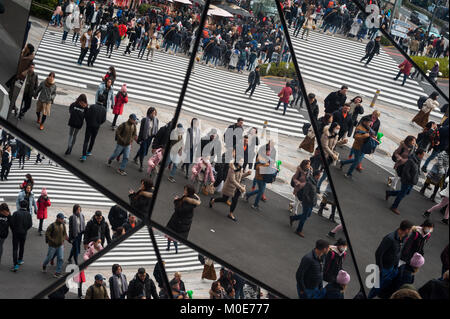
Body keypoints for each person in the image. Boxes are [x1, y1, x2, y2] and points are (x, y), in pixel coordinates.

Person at [368, 220, 414, 298]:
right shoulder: (390, 238)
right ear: (407, 230)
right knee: (377, 287)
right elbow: (378, 253)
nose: (411, 232)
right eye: (411, 230)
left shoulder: (404, 237)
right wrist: (380, 268)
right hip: (385, 268)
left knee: (385, 285)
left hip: (394, 267)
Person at [386, 148, 425, 215]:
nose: (423, 156)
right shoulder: (411, 160)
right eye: (423, 155)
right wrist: (410, 179)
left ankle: (389, 193)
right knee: (402, 194)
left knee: (406, 192)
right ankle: (394, 207)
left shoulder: (418, 160)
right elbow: (406, 171)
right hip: (407, 180)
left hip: (412, 180)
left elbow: (417, 170)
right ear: (419, 154)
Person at [289, 170, 321, 238]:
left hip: (312, 202)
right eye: (319, 175)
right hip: (307, 203)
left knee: (307, 215)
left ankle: (293, 218)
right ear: (316, 176)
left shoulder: (315, 182)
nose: (320, 176)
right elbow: (305, 194)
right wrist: (309, 201)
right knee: (304, 217)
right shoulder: (309, 183)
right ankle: (298, 230)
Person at [80, 94, 107, 162]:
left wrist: (88, 122)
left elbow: (87, 115)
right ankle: (89, 151)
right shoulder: (104, 109)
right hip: (96, 126)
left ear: (97, 99)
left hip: (89, 125)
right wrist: (99, 123)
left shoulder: (92, 106)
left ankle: (83, 156)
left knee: (86, 140)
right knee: (93, 139)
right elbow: (104, 120)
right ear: (103, 101)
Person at [42, 213, 69, 278]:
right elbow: (47, 234)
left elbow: (64, 234)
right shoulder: (52, 226)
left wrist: (65, 240)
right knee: (49, 257)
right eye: (62, 219)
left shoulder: (63, 225)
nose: (63, 220)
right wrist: (53, 241)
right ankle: (44, 264)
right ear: (58, 218)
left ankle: (57, 272)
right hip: (52, 246)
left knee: (60, 258)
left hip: (60, 245)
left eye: (63, 219)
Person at [9, 200, 32, 272]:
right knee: (22, 246)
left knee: (15, 248)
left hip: (16, 233)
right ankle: (20, 260)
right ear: (26, 206)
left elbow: (11, 223)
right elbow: (30, 224)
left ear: (20, 205)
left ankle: (15, 265)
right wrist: (25, 229)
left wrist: (14, 230)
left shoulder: (15, 213)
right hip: (23, 233)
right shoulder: (28, 214)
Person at [133, 107, 159, 172]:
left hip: (150, 138)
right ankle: (141, 165)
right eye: (152, 113)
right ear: (149, 113)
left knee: (143, 149)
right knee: (143, 151)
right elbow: (141, 130)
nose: (153, 115)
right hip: (144, 138)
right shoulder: (144, 120)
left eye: (154, 113)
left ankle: (136, 157)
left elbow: (156, 130)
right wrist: (139, 139)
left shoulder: (156, 120)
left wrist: (155, 139)